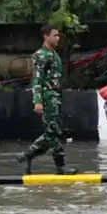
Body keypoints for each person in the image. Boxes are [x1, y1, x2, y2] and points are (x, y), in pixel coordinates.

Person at [16, 23, 77, 175]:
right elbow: (36, 79)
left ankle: (28, 156)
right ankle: (59, 166)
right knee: (53, 132)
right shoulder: (40, 55)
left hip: (56, 98)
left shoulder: (54, 55)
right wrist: (37, 101)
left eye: (58, 35)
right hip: (47, 98)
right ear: (46, 36)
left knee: (53, 133)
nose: (58, 38)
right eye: (55, 35)